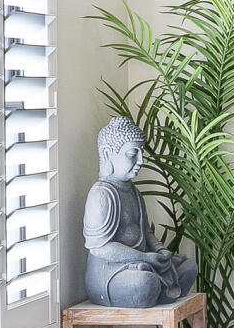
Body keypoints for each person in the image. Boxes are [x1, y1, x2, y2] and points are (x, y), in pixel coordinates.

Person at [83, 117, 197, 307]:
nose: (140, 161)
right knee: (145, 282)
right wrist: (143, 258)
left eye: (141, 153)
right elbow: (99, 248)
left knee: (188, 267)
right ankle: (154, 288)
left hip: (141, 263)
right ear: (108, 153)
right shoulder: (101, 194)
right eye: (132, 153)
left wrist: (160, 251)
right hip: (110, 274)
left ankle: (156, 289)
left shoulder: (133, 192)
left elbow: (147, 232)